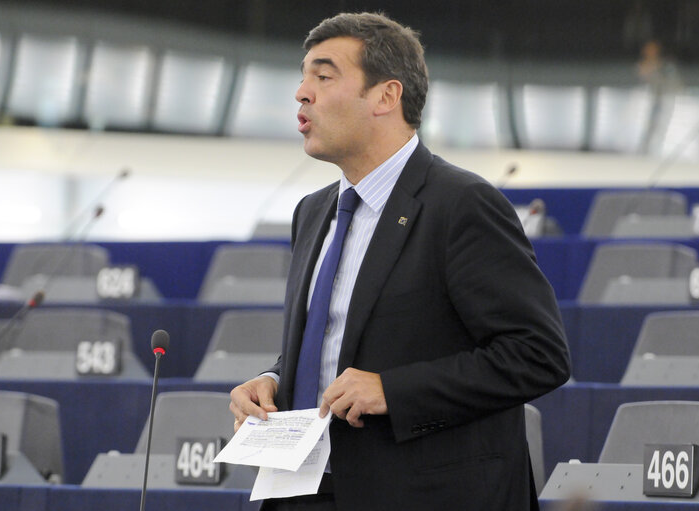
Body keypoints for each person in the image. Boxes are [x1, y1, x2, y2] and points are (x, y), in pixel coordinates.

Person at [230, 11, 571, 511]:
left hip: (419, 492)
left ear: (387, 97)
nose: (302, 93)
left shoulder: (461, 204)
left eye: (323, 77)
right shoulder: (313, 211)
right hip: (301, 490)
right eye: (302, 78)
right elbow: (337, 338)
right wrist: (275, 380)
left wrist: (394, 390)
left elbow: (538, 355)